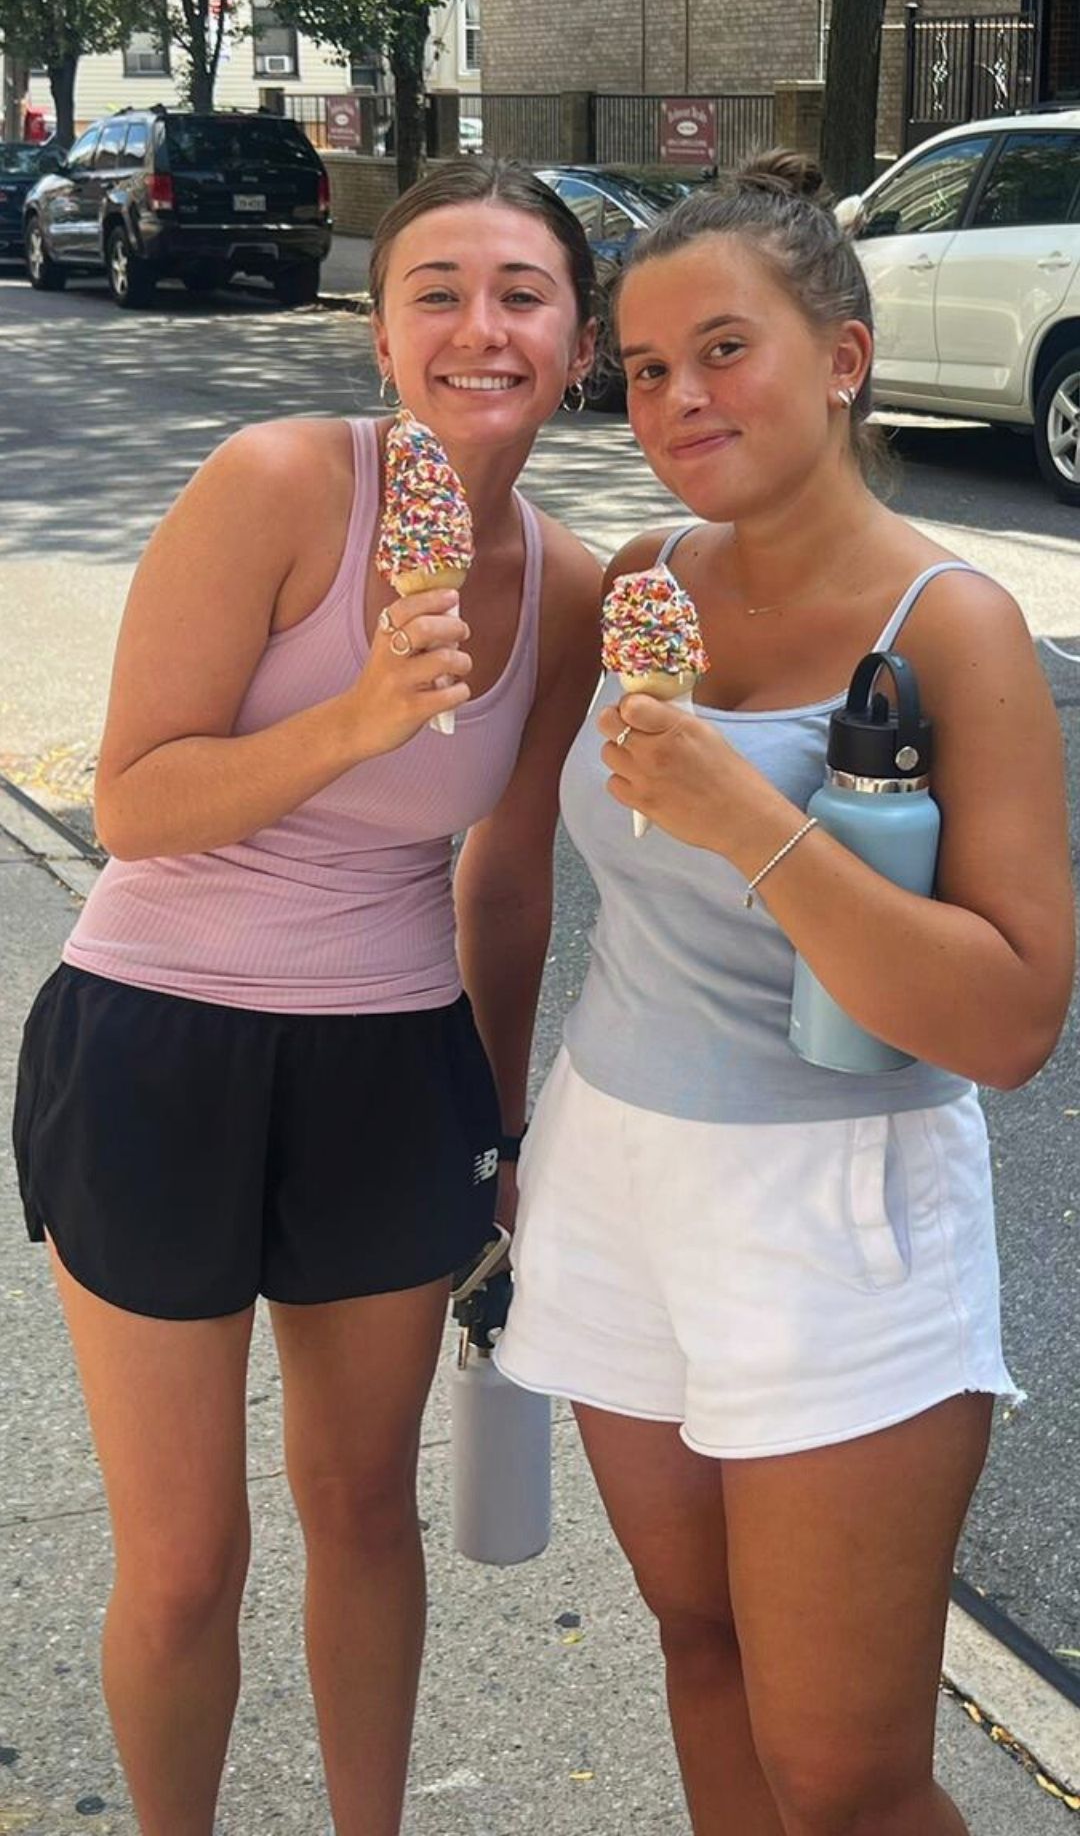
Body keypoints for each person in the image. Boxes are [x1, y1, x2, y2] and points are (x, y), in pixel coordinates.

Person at [13, 156, 600, 1836]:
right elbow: (131, 800)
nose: (480, 327)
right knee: (187, 1558)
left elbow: (505, 872)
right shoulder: (278, 483)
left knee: (363, 1509)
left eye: (521, 294)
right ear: (382, 337)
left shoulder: (563, 584)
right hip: (157, 1041)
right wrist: (354, 716)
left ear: (575, 341)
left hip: (390, 1064)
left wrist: (498, 1127)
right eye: (438, 291)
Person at [495, 152, 1075, 1836]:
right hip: (615, 1179)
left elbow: (1013, 1020)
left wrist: (752, 817)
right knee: (700, 1649)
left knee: (848, 1778)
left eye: (724, 349)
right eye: (648, 366)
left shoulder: (954, 628)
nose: (680, 397)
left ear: (843, 353)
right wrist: (495, 1128)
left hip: (839, 1219)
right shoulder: (641, 586)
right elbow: (506, 857)